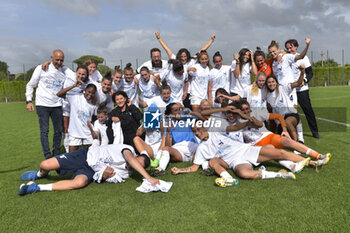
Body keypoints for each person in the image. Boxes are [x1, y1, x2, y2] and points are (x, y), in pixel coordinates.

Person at [171, 123, 311, 187]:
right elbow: (195, 167)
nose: (197, 133)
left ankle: (310, 162)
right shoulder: (201, 148)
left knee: (278, 152)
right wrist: (180, 170)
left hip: (246, 150)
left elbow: (232, 127)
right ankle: (280, 174)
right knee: (244, 174)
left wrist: (245, 122)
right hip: (235, 162)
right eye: (194, 131)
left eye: (198, 129)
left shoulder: (217, 131)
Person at [18, 144, 159, 196]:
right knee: (45, 165)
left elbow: (109, 177)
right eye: (136, 163)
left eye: (137, 166)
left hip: (91, 170)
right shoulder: (128, 149)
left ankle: (36, 187)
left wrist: (104, 176)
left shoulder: (127, 173)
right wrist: (149, 177)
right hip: (85, 156)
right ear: (136, 156)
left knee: (79, 183)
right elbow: (131, 159)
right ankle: (38, 174)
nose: (132, 165)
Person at [239, 99, 331, 169]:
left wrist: (284, 130)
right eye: (243, 110)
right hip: (257, 144)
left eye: (247, 109)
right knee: (279, 153)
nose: (246, 111)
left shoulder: (256, 113)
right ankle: (313, 163)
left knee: (288, 141)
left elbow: (278, 116)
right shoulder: (236, 122)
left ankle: (318, 156)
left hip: (269, 136)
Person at [25, 49, 74, 159]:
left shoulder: (65, 70)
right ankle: (47, 155)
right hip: (42, 104)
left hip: (57, 104)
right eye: (57, 59)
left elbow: (77, 76)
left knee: (58, 131)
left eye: (61, 60)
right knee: (44, 131)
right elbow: (30, 85)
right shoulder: (41, 68)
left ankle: (56, 153)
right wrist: (29, 101)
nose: (59, 62)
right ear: (51, 58)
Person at [155, 31, 216, 108]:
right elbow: (167, 49)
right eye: (182, 56)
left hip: (188, 92)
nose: (183, 58)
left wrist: (211, 40)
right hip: (175, 93)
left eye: (185, 56)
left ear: (188, 56)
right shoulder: (175, 61)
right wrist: (159, 38)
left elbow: (201, 51)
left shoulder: (191, 61)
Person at [285, 39, 320, 139]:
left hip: (302, 90)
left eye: (291, 47)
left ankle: (315, 132)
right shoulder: (286, 58)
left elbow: (310, 73)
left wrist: (304, 80)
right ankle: (288, 132)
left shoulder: (303, 58)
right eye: (287, 48)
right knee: (288, 112)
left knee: (308, 110)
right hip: (290, 91)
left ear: (296, 46)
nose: (289, 49)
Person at [151, 103, 198, 176]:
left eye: (179, 110)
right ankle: (161, 169)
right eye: (176, 110)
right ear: (170, 114)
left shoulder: (187, 118)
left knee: (203, 149)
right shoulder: (169, 126)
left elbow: (203, 118)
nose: (179, 112)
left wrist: (185, 108)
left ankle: (206, 168)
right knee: (165, 148)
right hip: (179, 151)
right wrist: (168, 132)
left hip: (192, 147)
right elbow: (168, 146)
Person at [265, 68, 305, 140]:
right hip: (280, 120)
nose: (271, 84)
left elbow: (298, 83)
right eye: (269, 82)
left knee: (288, 122)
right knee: (280, 140)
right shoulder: (267, 95)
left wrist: (302, 72)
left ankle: (297, 142)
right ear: (267, 84)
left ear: (276, 82)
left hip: (291, 114)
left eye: (273, 81)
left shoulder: (283, 88)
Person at [57, 82, 97, 152]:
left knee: (93, 154)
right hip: (74, 133)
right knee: (71, 156)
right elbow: (59, 94)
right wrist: (73, 86)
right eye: (89, 92)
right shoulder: (75, 97)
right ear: (85, 89)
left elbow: (94, 117)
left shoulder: (94, 104)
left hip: (87, 133)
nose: (90, 94)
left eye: (92, 93)